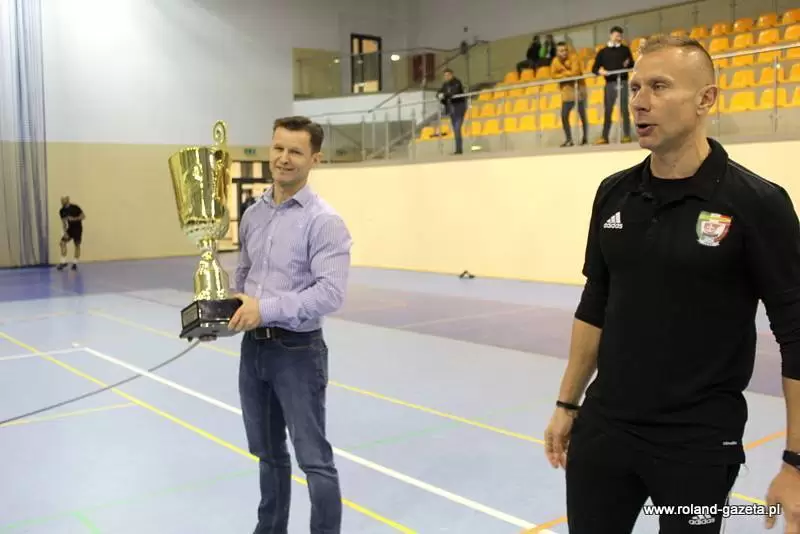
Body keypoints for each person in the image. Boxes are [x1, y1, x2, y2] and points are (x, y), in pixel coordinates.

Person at [544, 34, 800, 533]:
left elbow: (796, 334)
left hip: (697, 446)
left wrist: (795, 462)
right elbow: (595, 302)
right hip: (605, 429)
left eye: (659, 87)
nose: (639, 101)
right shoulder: (613, 193)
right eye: (636, 87)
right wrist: (567, 403)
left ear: (706, 99)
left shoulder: (758, 203)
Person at [229, 115, 353, 534]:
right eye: (278, 148)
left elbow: (330, 293)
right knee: (267, 453)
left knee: (314, 460)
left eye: (296, 151)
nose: (284, 158)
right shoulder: (253, 214)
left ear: (314, 159)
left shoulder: (324, 221)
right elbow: (244, 274)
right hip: (254, 349)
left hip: (298, 352)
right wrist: (226, 309)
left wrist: (264, 309)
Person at [591, 26, 634, 144]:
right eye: (616, 35)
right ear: (611, 35)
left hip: (623, 81)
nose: (618, 37)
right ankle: (604, 137)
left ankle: (626, 135)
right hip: (610, 83)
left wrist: (628, 63)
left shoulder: (625, 50)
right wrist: (600, 71)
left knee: (624, 109)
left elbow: (632, 64)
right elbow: (594, 68)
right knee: (608, 110)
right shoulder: (603, 51)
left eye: (620, 36)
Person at [550, 41, 588, 147]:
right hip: (566, 93)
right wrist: (566, 74)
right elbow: (553, 75)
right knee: (564, 116)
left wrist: (562, 73)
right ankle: (569, 140)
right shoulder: (555, 61)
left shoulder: (574, 58)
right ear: (557, 52)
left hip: (579, 91)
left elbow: (575, 73)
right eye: (561, 51)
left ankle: (585, 139)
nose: (564, 52)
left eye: (566, 50)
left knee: (582, 116)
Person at [436, 68, 467, 155]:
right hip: (451, 109)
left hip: (459, 107)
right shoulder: (445, 84)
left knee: (457, 128)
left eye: (448, 75)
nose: (446, 77)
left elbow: (454, 92)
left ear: (451, 75)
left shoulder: (457, 82)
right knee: (455, 129)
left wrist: (444, 95)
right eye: (445, 75)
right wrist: (440, 95)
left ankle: (459, 150)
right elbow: (438, 93)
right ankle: (458, 149)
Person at [57, 196, 84, 271]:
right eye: (61, 200)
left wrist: (74, 219)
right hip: (70, 229)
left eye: (63, 199)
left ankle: (75, 263)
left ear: (67, 199)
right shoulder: (61, 211)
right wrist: (65, 232)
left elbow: (83, 216)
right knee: (62, 243)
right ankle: (63, 262)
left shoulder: (75, 207)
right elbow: (63, 222)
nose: (62, 201)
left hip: (78, 229)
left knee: (77, 245)